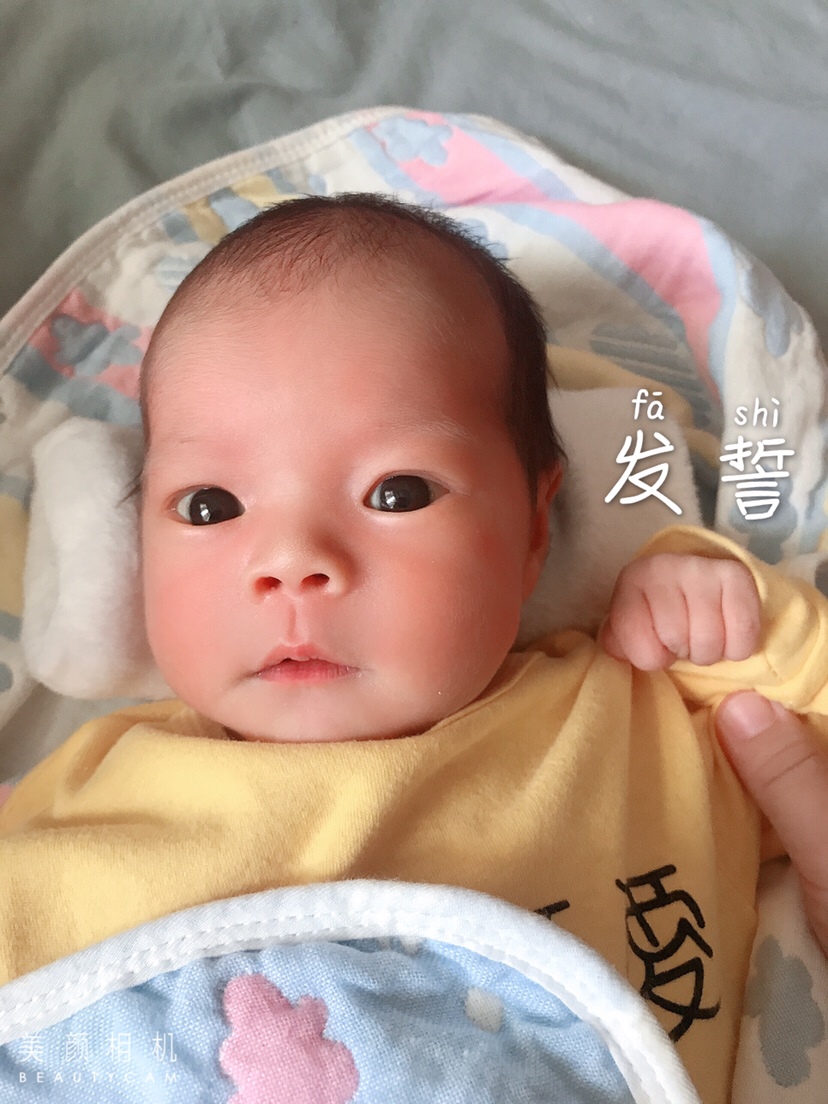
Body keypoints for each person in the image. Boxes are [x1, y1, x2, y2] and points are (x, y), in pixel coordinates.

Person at [1, 193, 828, 1104]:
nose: (292, 562)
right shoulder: (94, 790)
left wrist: (736, 612)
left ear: (534, 528)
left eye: (396, 492)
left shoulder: (637, 711)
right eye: (210, 506)